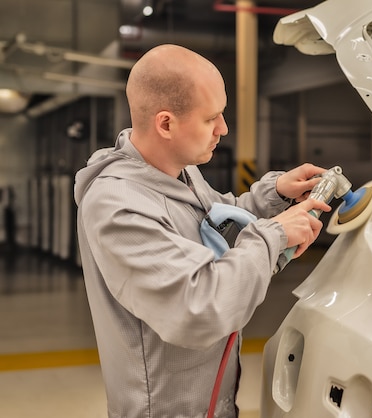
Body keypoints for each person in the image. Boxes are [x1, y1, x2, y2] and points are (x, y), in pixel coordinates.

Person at [74, 44, 330, 418]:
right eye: (211, 118)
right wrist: (273, 235)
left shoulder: (178, 171)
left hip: (211, 401)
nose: (223, 129)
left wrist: (272, 196)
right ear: (166, 123)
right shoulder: (118, 206)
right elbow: (198, 308)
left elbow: (215, 224)